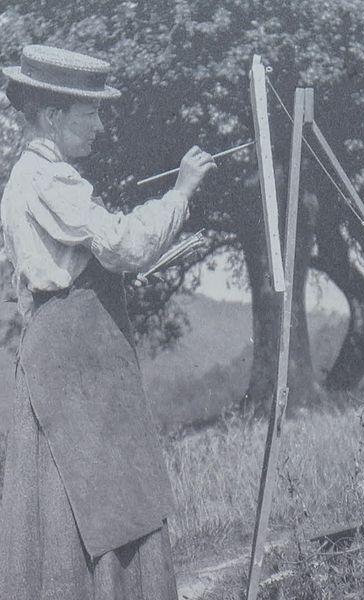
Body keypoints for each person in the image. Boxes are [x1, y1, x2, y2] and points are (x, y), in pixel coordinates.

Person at [0, 44, 216, 600]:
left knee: (105, 495)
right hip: (74, 364)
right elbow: (123, 244)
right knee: (86, 499)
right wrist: (182, 193)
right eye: (89, 113)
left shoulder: (44, 176)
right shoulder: (47, 179)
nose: (99, 125)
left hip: (78, 358)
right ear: (52, 116)